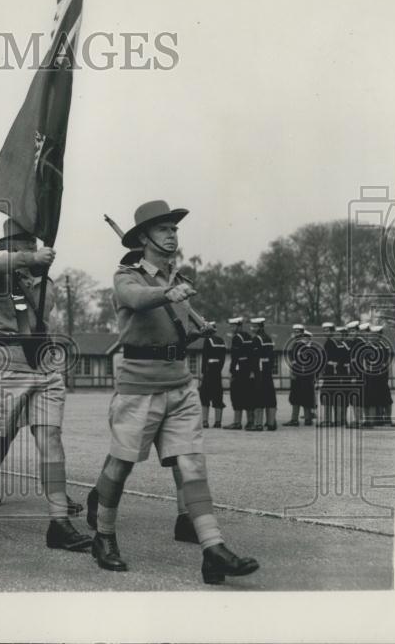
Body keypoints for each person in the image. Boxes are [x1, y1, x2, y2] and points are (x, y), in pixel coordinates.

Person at [86, 200, 258, 584]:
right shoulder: (127, 276)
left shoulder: (173, 279)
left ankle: (213, 549)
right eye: (163, 229)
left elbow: (170, 332)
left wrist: (196, 330)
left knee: (193, 465)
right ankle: (104, 536)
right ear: (144, 238)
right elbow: (134, 300)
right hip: (139, 386)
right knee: (121, 465)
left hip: (180, 384)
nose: (172, 234)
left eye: (174, 229)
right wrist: (168, 294)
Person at [0, 217, 92, 552]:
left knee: (50, 438)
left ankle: (59, 522)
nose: (31, 249)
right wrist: (29, 261)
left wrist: (36, 267)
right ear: (9, 248)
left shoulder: (45, 282)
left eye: (33, 244)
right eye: (22, 244)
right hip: (7, 363)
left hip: (43, 363)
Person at [223, 317, 252, 430]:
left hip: (239, 370)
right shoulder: (248, 336)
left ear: (239, 326)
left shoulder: (236, 338)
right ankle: (250, 421)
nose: (232, 328)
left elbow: (235, 357)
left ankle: (237, 422)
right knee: (249, 396)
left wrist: (232, 372)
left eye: (233, 326)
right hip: (248, 369)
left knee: (236, 396)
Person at [283, 324, 316, 426]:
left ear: (302, 333)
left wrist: (293, 373)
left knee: (296, 397)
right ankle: (307, 419)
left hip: (300, 374)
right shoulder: (306, 345)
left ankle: (295, 419)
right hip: (307, 375)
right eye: (295, 332)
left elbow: (295, 362)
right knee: (306, 396)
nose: (296, 334)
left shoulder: (298, 345)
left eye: (298, 332)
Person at [249, 318, 277, 431]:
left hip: (259, 370)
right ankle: (271, 423)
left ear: (260, 327)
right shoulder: (269, 338)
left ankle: (258, 424)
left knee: (258, 396)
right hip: (268, 370)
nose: (252, 328)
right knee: (270, 396)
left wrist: (252, 371)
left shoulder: (256, 339)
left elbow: (255, 357)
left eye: (255, 326)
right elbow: (272, 356)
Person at [198, 322, 226, 428]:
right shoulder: (221, 341)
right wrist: (219, 369)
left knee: (204, 395)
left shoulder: (207, 340)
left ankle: (205, 421)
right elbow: (223, 359)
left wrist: (203, 373)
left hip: (209, 371)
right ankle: (218, 422)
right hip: (217, 371)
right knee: (218, 395)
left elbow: (205, 358)